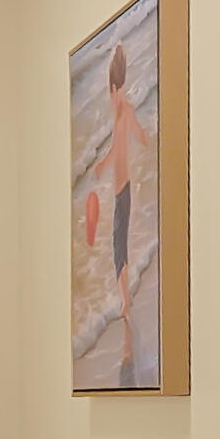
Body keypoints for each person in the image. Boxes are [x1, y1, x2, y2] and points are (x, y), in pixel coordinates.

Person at [80, 41, 156, 384]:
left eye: (111, 90)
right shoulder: (126, 108)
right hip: (123, 188)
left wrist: (103, 166)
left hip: (122, 188)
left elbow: (116, 146)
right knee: (118, 244)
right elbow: (136, 135)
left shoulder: (120, 108)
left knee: (118, 247)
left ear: (113, 87)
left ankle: (125, 302)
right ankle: (125, 300)